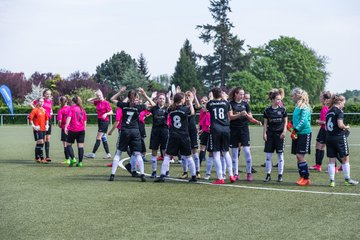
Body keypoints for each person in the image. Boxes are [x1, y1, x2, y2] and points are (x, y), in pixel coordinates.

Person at [109, 87, 155, 182]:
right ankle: (142, 175)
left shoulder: (123, 105)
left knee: (118, 153)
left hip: (125, 131)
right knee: (138, 154)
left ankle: (112, 174)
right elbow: (153, 105)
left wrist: (120, 92)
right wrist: (145, 94)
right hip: (135, 132)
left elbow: (112, 99)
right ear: (136, 97)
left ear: (128, 97)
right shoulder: (139, 107)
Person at [154, 92, 197, 183]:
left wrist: (171, 98)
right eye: (184, 98)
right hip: (184, 136)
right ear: (182, 100)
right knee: (188, 156)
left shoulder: (171, 109)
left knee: (167, 156)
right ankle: (193, 176)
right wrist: (190, 103)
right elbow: (192, 113)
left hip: (173, 135)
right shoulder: (185, 109)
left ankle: (162, 175)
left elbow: (170, 106)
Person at [228, 87, 261, 181]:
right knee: (234, 153)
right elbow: (230, 117)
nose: (242, 96)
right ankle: (235, 174)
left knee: (247, 151)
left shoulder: (245, 104)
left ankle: (249, 173)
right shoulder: (230, 104)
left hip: (244, 131)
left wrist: (246, 115)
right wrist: (239, 114)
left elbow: (250, 117)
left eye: (243, 94)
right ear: (235, 94)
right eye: (240, 94)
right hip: (234, 130)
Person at [325, 95, 358, 186]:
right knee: (345, 158)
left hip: (329, 138)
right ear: (339, 102)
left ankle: (332, 181)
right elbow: (340, 125)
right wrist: (346, 127)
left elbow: (326, 128)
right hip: (339, 138)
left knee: (331, 160)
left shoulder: (329, 112)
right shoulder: (339, 111)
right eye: (343, 103)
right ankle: (347, 179)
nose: (344, 105)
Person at [206, 87, 236, 184]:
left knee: (216, 154)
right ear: (221, 94)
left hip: (216, 130)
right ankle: (231, 175)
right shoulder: (226, 103)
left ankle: (220, 177)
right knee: (226, 152)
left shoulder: (210, 103)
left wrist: (211, 98)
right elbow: (229, 115)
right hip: (226, 129)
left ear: (213, 94)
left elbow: (205, 109)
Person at [263, 90, 288, 182]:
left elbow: (286, 122)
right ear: (272, 99)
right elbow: (265, 124)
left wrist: (284, 132)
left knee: (280, 155)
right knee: (268, 156)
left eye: (280, 99)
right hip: (270, 135)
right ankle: (268, 175)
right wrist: (264, 133)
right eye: (277, 99)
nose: (279, 101)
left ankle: (280, 175)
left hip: (280, 135)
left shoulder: (283, 109)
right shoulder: (267, 110)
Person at [291, 88, 312, 186]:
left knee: (300, 156)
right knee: (298, 156)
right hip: (298, 133)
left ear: (297, 95)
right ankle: (302, 177)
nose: (292, 97)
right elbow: (297, 120)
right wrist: (291, 127)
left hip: (304, 133)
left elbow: (304, 121)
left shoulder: (304, 107)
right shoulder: (297, 106)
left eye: (292, 95)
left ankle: (306, 178)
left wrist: (295, 130)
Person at [84, 89, 113, 159]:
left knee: (98, 137)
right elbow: (88, 100)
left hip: (104, 122)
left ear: (102, 94)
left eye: (100, 95)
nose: (99, 97)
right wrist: (96, 98)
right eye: (97, 96)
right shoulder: (97, 102)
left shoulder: (106, 103)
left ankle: (93, 154)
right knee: (103, 138)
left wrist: (106, 114)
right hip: (100, 121)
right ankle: (108, 154)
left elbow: (111, 112)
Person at [180, 89, 201, 179]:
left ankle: (197, 171)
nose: (188, 98)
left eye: (189, 96)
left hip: (192, 131)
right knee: (184, 153)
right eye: (186, 96)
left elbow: (199, 106)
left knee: (195, 152)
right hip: (184, 131)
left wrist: (195, 96)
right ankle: (185, 172)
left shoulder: (193, 106)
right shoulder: (182, 107)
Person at [309, 91, 331, 172]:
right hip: (322, 129)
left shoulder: (326, 108)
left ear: (325, 99)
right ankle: (317, 165)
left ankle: (338, 166)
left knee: (323, 147)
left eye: (321, 97)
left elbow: (327, 122)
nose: (320, 98)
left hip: (325, 130)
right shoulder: (324, 107)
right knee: (318, 146)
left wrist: (319, 121)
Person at [149, 93, 169, 178]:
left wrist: (169, 97)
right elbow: (145, 105)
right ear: (157, 100)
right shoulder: (154, 108)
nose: (161, 100)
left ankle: (165, 171)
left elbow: (173, 104)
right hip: (155, 132)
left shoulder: (168, 109)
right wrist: (150, 97)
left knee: (165, 151)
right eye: (160, 98)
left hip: (164, 131)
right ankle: (154, 171)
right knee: (154, 151)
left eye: (163, 99)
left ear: (165, 100)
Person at [64, 96, 87, 167]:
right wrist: (84, 128)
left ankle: (73, 158)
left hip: (73, 129)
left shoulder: (71, 108)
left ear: (73, 101)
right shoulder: (82, 109)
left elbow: (69, 117)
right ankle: (80, 162)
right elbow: (85, 120)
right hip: (81, 130)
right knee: (80, 146)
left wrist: (65, 127)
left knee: (68, 144)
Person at [30, 89, 53, 162]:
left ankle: (47, 156)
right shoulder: (41, 101)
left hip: (47, 121)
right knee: (40, 140)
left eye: (49, 94)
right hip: (39, 121)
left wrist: (51, 112)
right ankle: (38, 157)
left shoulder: (50, 101)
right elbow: (31, 104)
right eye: (47, 94)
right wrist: (36, 110)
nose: (48, 95)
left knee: (47, 139)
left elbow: (50, 109)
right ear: (44, 94)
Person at [29, 97, 49, 163]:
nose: (41, 103)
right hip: (38, 129)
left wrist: (47, 125)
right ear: (37, 102)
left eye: (42, 101)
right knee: (41, 142)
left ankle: (37, 157)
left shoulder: (44, 110)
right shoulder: (35, 110)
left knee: (39, 143)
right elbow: (30, 118)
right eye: (40, 101)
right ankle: (42, 158)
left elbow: (47, 119)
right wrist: (33, 125)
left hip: (43, 129)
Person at [57, 96, 71, 164]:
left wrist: (59, 125)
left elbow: (59, 121)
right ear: (67, 101)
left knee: (65, 144)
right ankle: (73, 158)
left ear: (60, 102)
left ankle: (67, 159)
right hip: (71, 128)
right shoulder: (70, 108)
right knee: (70, 144)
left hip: (64, 128)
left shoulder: (61, 110)